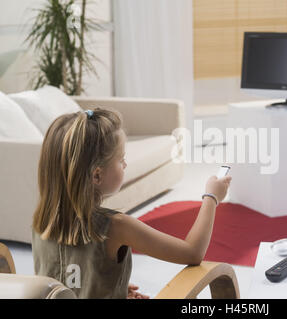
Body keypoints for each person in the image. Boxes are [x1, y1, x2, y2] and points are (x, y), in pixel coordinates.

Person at [31, 108, 231, 299]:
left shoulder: (41, 223)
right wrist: (211, 197)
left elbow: (60, 281)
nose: (125, 164)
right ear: (97, 175)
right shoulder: (116, 226)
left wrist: (110, 286)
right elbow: (192, 253)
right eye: (121, 159)